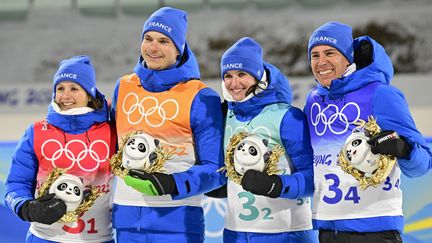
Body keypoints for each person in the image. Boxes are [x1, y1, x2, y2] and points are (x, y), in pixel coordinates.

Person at [304, 21, 432, 243]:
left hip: (374, 229)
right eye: (315, 55)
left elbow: (423, 163)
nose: (321, 61)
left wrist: (404, 148)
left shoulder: (380, 94)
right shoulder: (314, 99)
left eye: (330, 53)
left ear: (348, 57)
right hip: (328, 230)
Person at [109, 7, 225, 243]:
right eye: (148, 39)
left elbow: (216, 170)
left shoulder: (201, 97)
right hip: (127, 221)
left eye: (163, 41)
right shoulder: (124, 87)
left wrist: (172, 184)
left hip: (178, 222)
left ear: (178, 49)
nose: (152, 48)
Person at [4, 55, 117, 243]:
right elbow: (16, 183)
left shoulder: (111, 132)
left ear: (89, 94)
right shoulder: (36, 132)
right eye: (60, 88)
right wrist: (27, 207)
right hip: (44, 238)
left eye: (74, 88)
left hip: (97, 239)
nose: (65, 95)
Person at [218, 37, 317, 243]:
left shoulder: (287, 117)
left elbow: (314, 179)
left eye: (242, 74)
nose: (234, 83)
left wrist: (276, 185)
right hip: (235, 233)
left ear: (258, 77)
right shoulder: (226, 114)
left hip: (286, 233)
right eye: (228, 75)